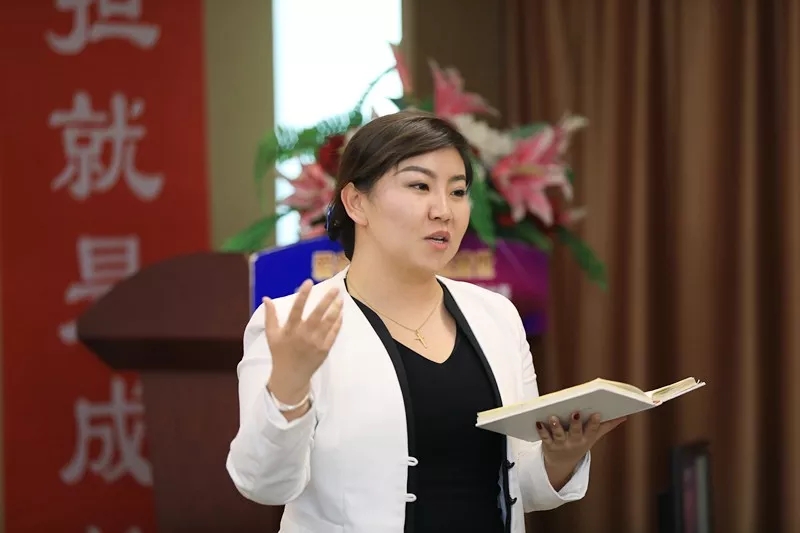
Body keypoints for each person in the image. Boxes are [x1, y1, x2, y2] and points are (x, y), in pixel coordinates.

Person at [226, 110, 625, 533]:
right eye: (419, 186)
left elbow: (517, 484)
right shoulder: (293, 324)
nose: (444, 211)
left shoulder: (496, 317)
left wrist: (561, 456)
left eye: (458, 191)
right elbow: (263, 484)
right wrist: (288, 387)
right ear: (356, 202)